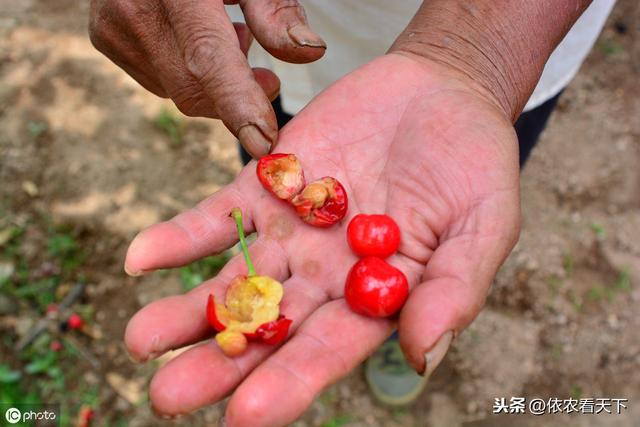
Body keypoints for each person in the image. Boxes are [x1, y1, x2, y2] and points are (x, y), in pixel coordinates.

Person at [89, 0, 614, 424]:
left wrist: (471, 56)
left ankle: (395, 331)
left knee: (450, 205)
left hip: (514, 33)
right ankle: (390, 325)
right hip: (282, 34)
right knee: (269, 132)